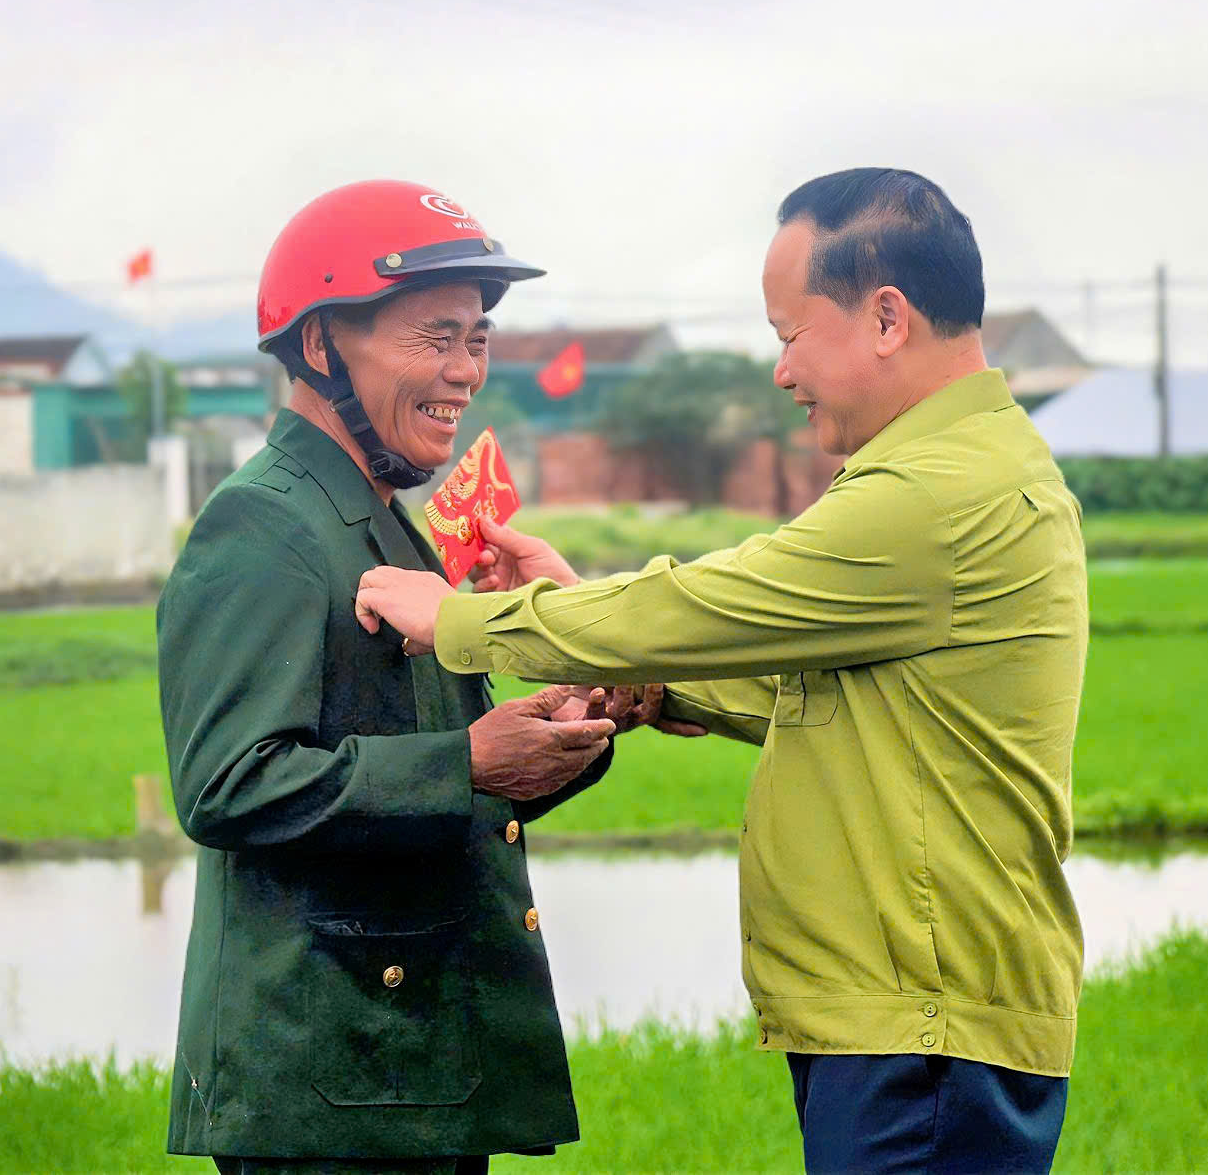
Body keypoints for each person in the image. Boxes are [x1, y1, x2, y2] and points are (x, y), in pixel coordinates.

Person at [355, 168, 1089, 1174]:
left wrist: (462, 618)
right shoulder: (962, 470)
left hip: (923, 1019)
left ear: (884, 317)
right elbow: (816, 678)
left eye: (789, 335)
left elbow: (711, 604)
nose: (781, 373)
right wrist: (642, 679)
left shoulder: (938, 491)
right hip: (913, 1013)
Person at [158, 179, 650, 1175]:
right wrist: (467, 758)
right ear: (319, 345)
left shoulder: (380, 522)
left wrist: (555, 731)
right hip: (328, 1079)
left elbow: (432, 775)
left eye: (475, 338)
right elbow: (225, 784)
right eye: (435, 336)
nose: (465, 371)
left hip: (403, 1064)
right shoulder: (265, 524)